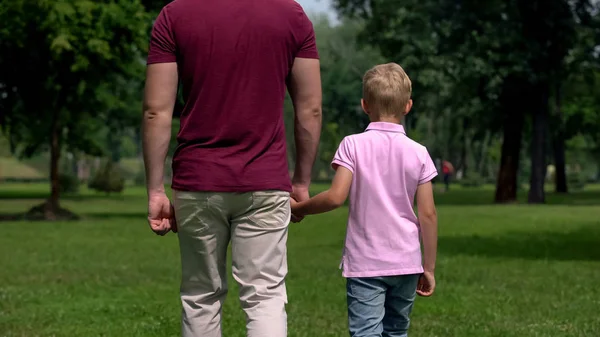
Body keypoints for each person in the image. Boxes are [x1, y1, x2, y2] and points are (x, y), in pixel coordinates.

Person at [141, 0, 322, 336]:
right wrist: (301, 181)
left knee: (201, 296)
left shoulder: (175, 14)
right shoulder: (291, 15)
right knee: (264, 296)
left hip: (198, 181)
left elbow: (156, 111)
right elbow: (310, 109)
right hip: (265, 181)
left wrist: (155, 189)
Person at [291, 63, 438, 337]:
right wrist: (427, 267)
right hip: (407, 261)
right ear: (407, 106)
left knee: (365, 333)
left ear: (364, 105)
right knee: (397, 332)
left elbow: (336, 197)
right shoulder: (419, 153)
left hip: (366, 262)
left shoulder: (353, 145)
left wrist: (299, 207)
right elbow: (428, 214)